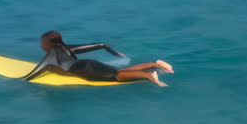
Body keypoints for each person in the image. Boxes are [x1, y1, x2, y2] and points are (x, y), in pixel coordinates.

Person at [24, 31, 173, 86]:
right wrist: (116, 53)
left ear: (48, 44)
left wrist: (21, 81)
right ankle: (156, 64)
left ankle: (148, 75)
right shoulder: (68, 47)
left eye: (42, 44)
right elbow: (100, 45)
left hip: (85, 70)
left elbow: (35, 73)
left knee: (117, 77)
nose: (40, 46)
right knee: (120, 71)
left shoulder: (50, 57)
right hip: (90, 64)